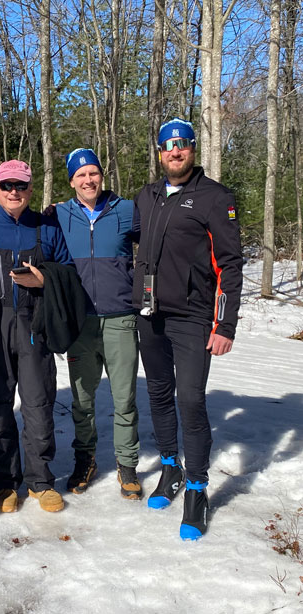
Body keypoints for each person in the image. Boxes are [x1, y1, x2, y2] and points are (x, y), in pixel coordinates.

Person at [133, 118, 243, 540]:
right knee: (159, 393)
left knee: (191, 400)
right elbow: (121, 231)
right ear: (159, 152)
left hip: (193, 317)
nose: (174, 152)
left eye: (182, 145)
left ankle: (197, 488)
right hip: (150, 314)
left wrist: (225, 324)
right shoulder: (149, 195)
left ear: (193, 149)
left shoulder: (215, 198)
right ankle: (170, 469)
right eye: (167, 146)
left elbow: (229, 265)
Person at [0, 160, 72, 514]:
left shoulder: (47, 227)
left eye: (21, 185)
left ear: (30, 189)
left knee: (38, 403)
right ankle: (5, 483)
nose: (14, 192)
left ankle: (40, 481)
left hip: (33, 324)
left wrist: (43, 280)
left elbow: (68, 273)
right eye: (7, 185)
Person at [51, 149, 142, 499]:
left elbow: (154, 244)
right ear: (71, 181)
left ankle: (128, 465)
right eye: (81, 175)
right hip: (80, 324)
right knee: (82, 400)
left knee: (124, 398)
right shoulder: (58, 214)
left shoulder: (127, 210)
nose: (89, 180)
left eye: (94, 173)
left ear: (101, 175)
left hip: (120, 319)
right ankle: (84, 459)